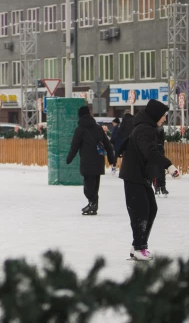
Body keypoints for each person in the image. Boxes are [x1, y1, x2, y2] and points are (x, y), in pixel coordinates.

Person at [119, 100, 181, 261]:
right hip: (134, 176)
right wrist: (169, 165)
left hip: (141, 176)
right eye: (163, 116)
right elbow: (150, 153)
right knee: (141, 212)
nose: (165, 119)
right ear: (155, 115)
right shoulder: (144, 130)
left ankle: (138, 245)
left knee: (150, 209)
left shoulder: (148, 128)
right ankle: (139, 247)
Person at [66, 106, 115, 216]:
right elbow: (107, 144)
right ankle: (92, 204)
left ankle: (93, 204)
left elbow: (74, 146)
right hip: (98, 161)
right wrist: (111, 159)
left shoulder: (80, 130)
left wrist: (69, 158)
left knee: (88, 187)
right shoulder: (98, 128)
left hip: (87, 162)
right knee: (95, 185)